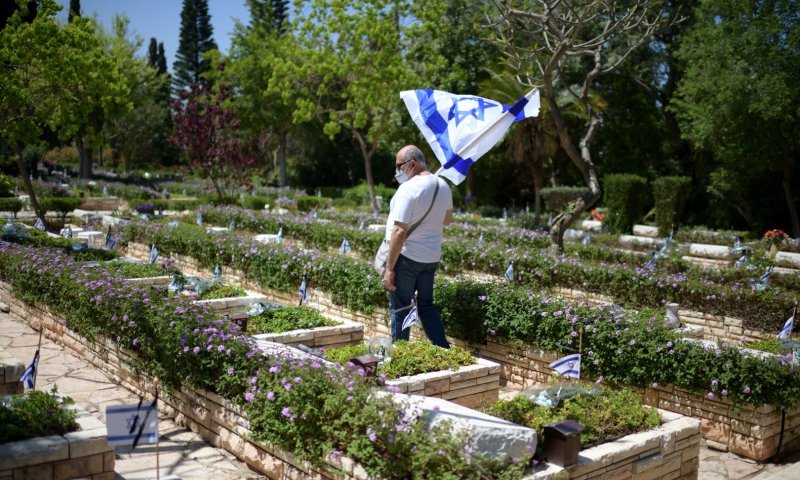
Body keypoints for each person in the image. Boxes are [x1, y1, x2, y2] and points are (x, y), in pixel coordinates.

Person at [381, 145, 452, 348]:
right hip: (430, 258)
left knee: (401, 307)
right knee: (426, 306)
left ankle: (400, 354)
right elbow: (447, 219)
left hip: (408, 258)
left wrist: (389, 268)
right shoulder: (442, 185)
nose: (397, 172)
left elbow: (399, 231)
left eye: (399, 166)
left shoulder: (408, 189)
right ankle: (442, 348)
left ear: (412, 164)